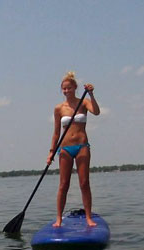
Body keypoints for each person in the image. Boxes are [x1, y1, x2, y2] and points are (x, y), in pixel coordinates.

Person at [47, 71, 100, 227]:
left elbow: (96, 112)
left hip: (82, 146)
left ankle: (89, 217)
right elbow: (56, 133)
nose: (66, 91)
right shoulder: (59, 108)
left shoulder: (83, 102)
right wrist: (51, 153)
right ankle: (58, 219)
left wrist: (91, 95)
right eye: (64, 89)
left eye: (69, 88)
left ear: (75, 88)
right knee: (64, 185)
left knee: (84, 183)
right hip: (65, 149)